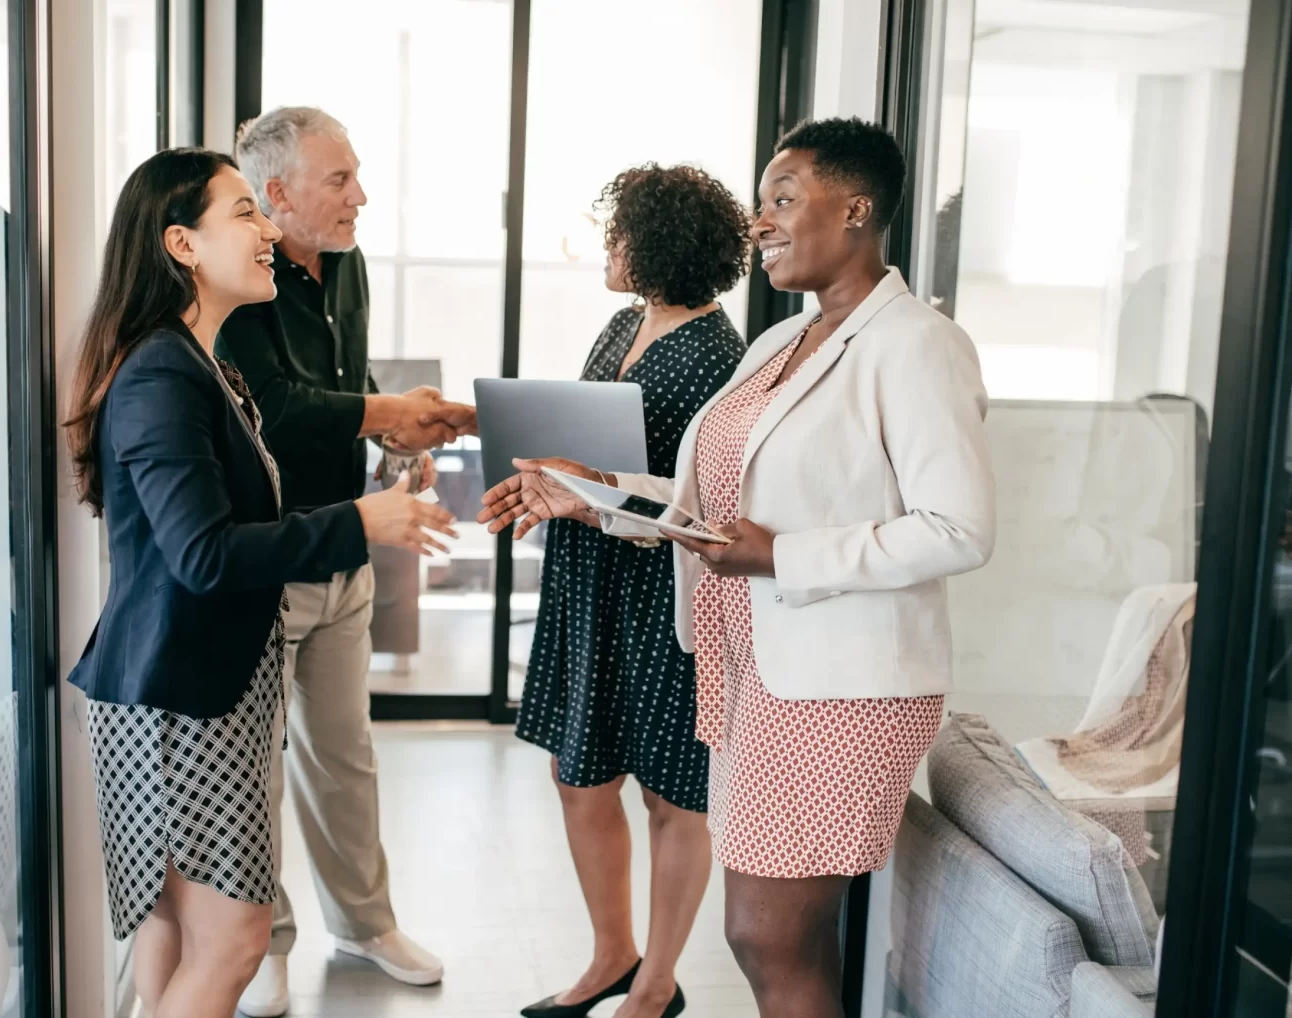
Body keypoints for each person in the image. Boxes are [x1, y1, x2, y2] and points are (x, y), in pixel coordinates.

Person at [481, 117, 996, 1018]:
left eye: (784, 200)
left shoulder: (916, 343)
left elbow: (959, 528)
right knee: (771, 938)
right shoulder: (777, 346)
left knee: (767, 934)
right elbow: (708, 513)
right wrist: (595, 491)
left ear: (857, 209)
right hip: (755, 674)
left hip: (840, 691)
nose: (761, 222)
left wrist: (782, 554)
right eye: (761, 204)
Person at [63, 148, 459, 1018]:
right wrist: (361, 522)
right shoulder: (164, 371)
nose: (269, 230)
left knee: (173, 934)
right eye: (245, 212)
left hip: (185, 690)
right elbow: (203, 555)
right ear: (181, 244)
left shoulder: (201, 362)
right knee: (235, 941)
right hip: (179, 700)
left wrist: (371, 503)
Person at [214, 106, 473, 1015]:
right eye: (340, 180)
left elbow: (346, 391)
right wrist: (387, 410)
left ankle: (364, 924)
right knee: (258, 766)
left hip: (347, 549)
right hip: (274, 559)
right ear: (274, 194)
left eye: (357, 175)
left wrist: (400, 443)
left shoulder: (348, 264)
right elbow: (277, 407)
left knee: (345, 756)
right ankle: (266, 944)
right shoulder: (239, 278)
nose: (360, 195)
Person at [508, 164, 751, 1018]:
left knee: (668, 791)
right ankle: (613, 953)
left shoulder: (725, 357)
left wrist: (593, 483)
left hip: (662, 589)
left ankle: (656, 982)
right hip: (589, 574)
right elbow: (589, 450)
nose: (608, 247)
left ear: (661, 244)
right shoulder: (621, 324)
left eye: (620, 232)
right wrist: (542, 480)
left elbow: (703, 499)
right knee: (578, 775)